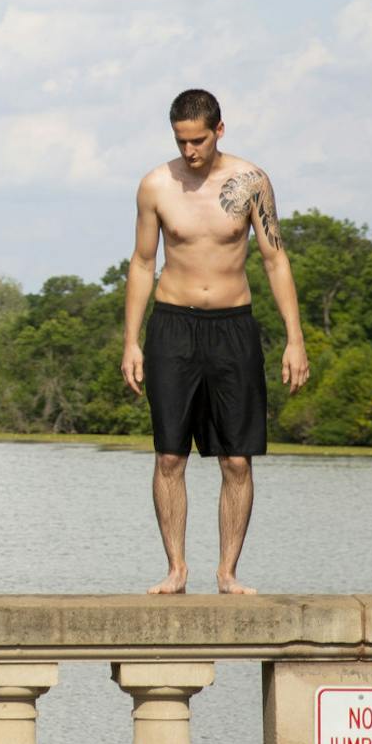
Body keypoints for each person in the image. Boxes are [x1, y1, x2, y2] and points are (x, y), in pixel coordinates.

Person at [121, 88, 310, 594]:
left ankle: (227, 572)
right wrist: (131, 342)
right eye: (181, 141)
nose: (190, 151)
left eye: (199, 140)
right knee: (168, 456)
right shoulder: (156, 185)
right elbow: (142, 263)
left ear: (219, 130)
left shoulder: (251, 182)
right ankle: (176, 569)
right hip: (172, 325)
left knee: (237, 459)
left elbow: (275, 259)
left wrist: (295, 338)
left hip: (233, 325)